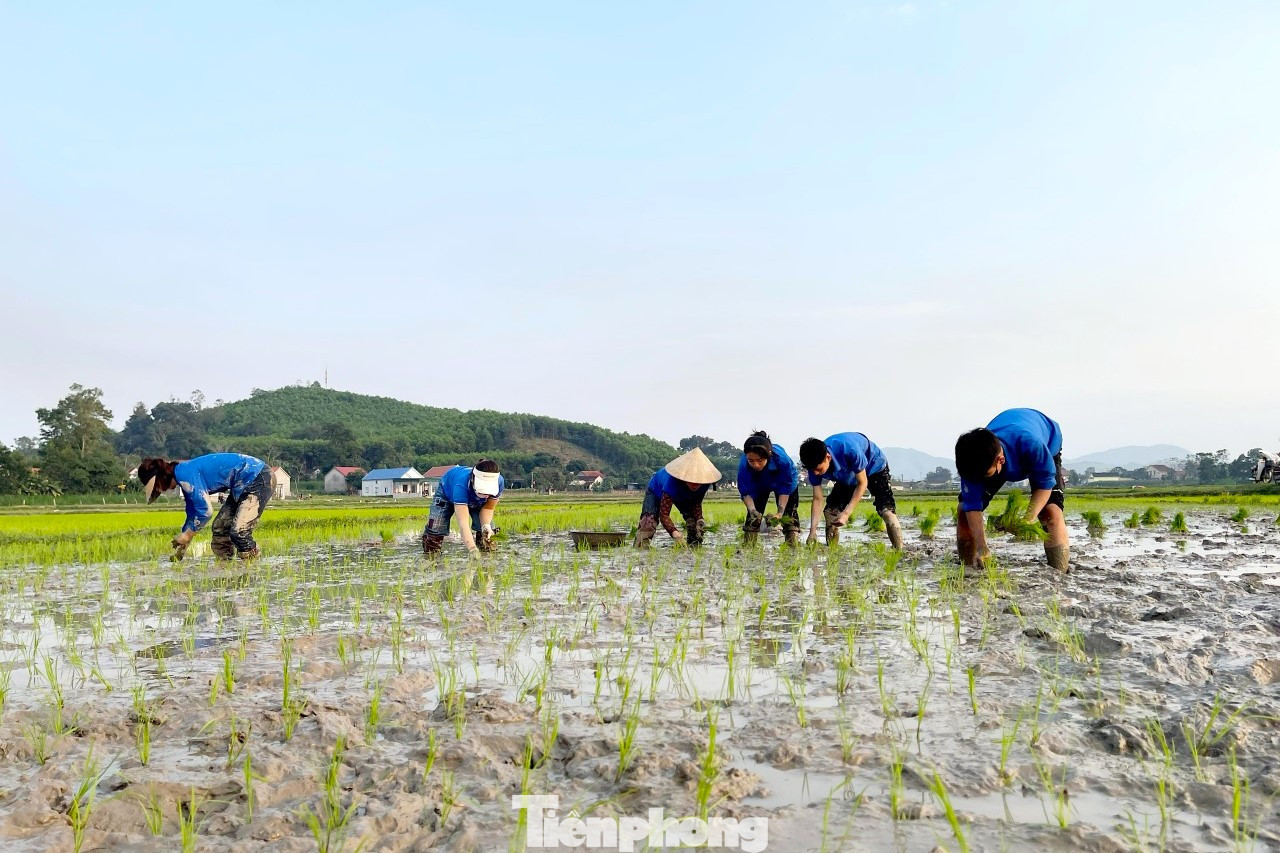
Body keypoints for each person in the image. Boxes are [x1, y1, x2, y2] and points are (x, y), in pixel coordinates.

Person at [953, 408, 1068, 572]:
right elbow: (972, 506)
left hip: (1047, 437)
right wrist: (981, 547)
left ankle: (1059, 573)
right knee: (963, 509)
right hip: (1000, 444)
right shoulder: (974, 460)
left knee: (1050, 512)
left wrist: (1026, 520)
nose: (977, 480)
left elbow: (1044, 485)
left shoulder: (1032, 445)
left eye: (984, 475)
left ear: (1000, 460)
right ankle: (968, 567)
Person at [137, 453, 273, 561]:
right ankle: (225, 567)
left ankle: (252, 569)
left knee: (239, 532)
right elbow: (192, 517)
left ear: (160, 478)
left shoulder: (185, 474)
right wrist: (181, 549)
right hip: (241, 484)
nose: (160, 491)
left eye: (157, 487)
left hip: (257, 477)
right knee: (220, 527)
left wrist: (186, 535)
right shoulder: (184, 478)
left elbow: (205, 511)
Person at [799, 433, 903, 549]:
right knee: (830, 511)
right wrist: (813, 531)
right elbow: (818, 499)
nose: (816, 474)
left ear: (828, 457)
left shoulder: (850, 450)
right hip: (847, 475)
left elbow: (862, 483)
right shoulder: (813, 467)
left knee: (886, 510)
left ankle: (899, 552)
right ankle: (833, 552)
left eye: (819, 469)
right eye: (812, 470)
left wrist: (846, 514)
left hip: (874, 466)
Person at [635, 447, 722, 548]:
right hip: (656, 490)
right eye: (692, 480)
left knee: (693, 523)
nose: (696, 484)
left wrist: (699, 519)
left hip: (683, 494)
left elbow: (696, 503)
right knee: (648, 522)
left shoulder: (704, 483)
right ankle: (641, 549)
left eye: (698, 482)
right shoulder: (672, 482)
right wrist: (674, 532)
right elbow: (664, 515)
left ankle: (694, 547)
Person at [421, 460, 504, 556]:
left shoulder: (499, 482)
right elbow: (463, 523)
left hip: (476, 500)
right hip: (447, 493)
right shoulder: (461, 485)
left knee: (488, 534)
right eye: (482, 491)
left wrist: (486, 526)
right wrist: (472, 549)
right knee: (435, 528)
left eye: (489, 493)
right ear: (473, 481)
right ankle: (430, 557)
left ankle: (486, 558)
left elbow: (488, 508)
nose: (486, 495)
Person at [738, 431, 800, 546]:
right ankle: (749, 548)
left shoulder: (782, 461)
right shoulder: (744, 465)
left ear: (769, 455)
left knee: (789, 515)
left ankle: (792, 547)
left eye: (760, 460)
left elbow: (785, 488)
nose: (755, 465)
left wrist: (780, 512)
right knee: (753, 517)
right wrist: (752, 509)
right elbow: (745, 491)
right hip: (758, 483)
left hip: (783, 480)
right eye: (751, 461)